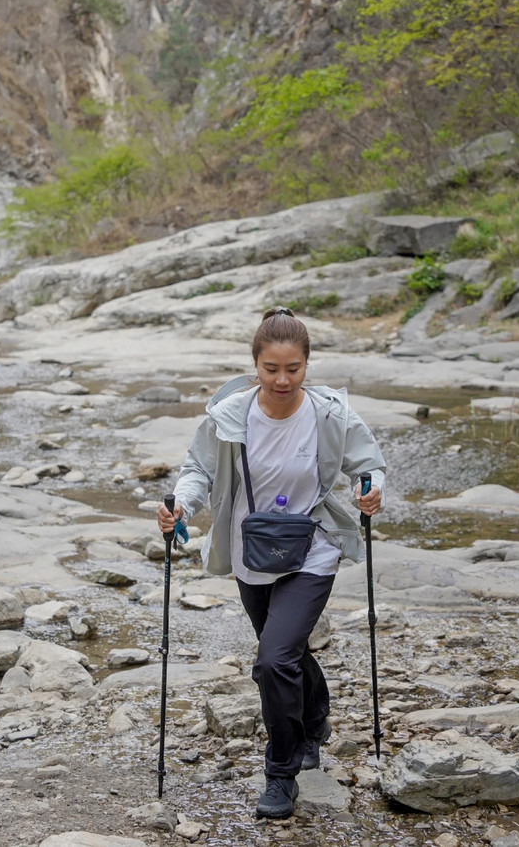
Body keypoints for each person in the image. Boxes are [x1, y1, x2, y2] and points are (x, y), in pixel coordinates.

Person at [157, 306, 386, 820]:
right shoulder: (230, 415)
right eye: (271, 370)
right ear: (254, 365)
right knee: (287, 651)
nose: (282, 380)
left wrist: (371, 493)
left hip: (313, 548)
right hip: (251, 552)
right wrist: (182, 506)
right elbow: (197, 470)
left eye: (293, 369)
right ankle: (315, 718)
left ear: (307, 365)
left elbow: (368, 466)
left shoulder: (331, 416)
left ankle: (280, 775)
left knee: (272, 660)